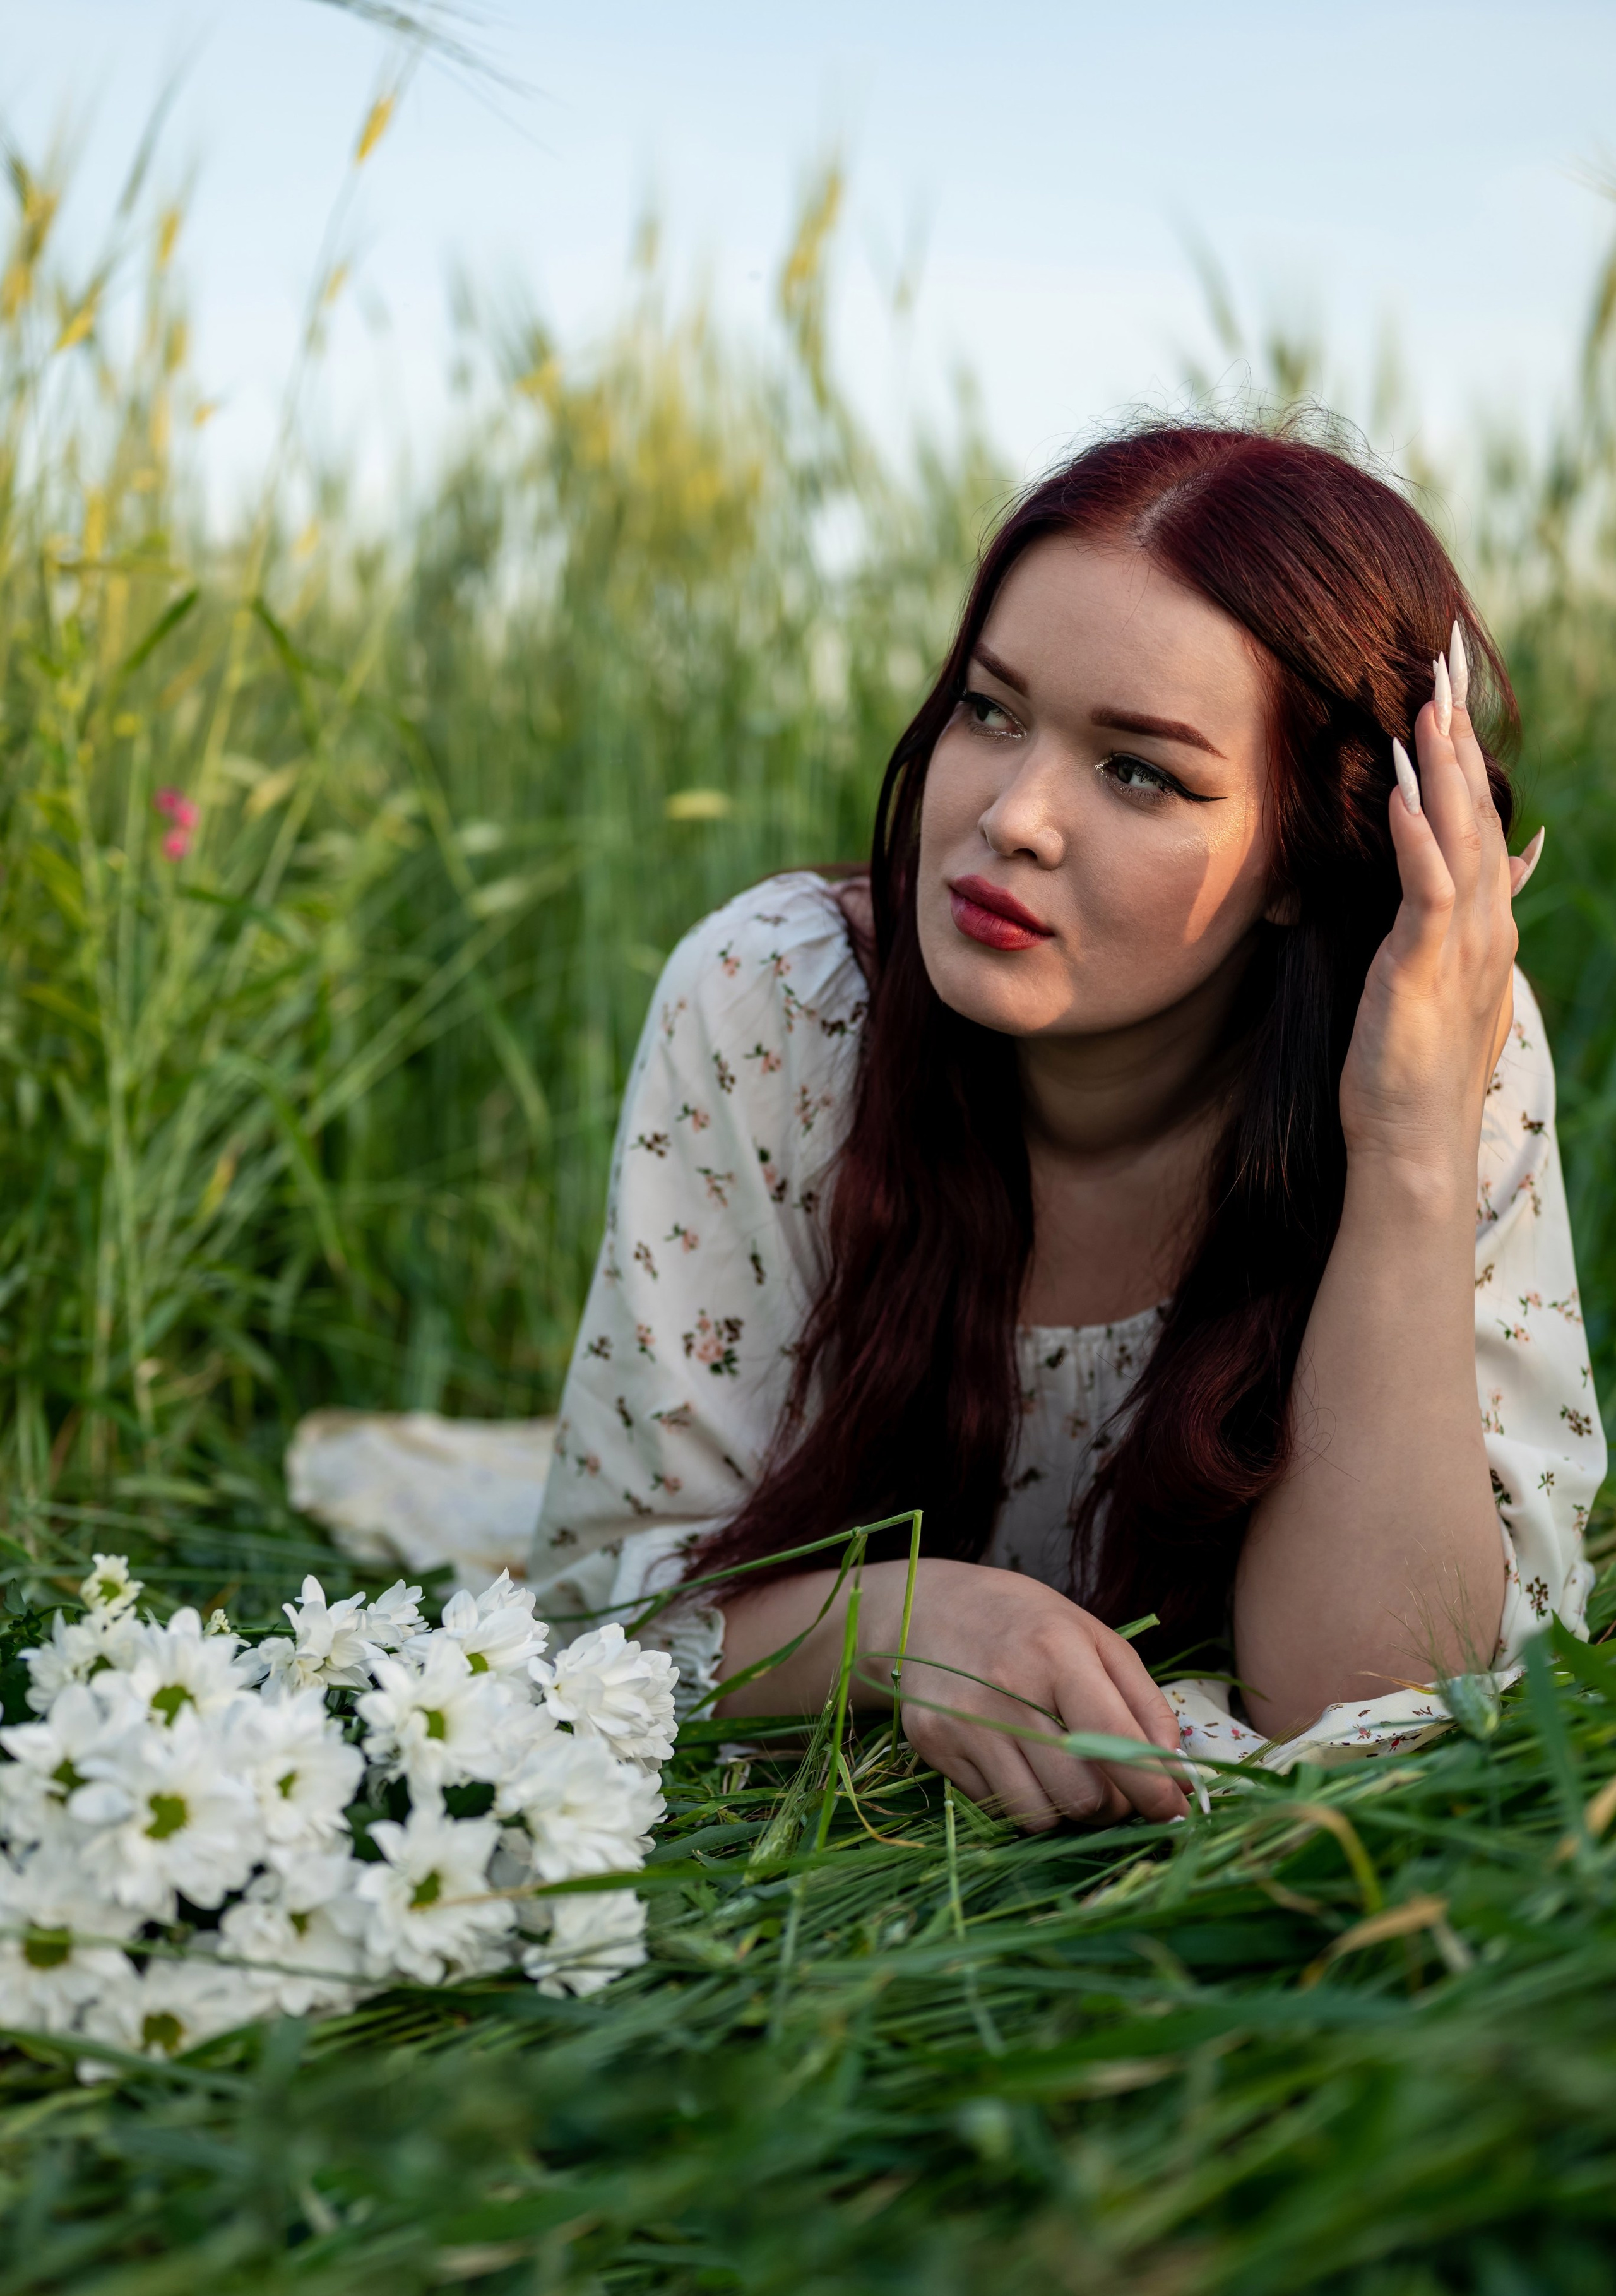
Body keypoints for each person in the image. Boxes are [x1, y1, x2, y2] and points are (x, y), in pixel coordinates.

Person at [528, 422, 1605, 1831]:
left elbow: (1393, 1699)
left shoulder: (1436, 1026)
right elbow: (597, 1632)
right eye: (990, 710)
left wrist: (1403, 1152)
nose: (1013, 816)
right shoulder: (776, 1005)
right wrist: (904, 1622)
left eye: (1140, 772)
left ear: (1305, 855)